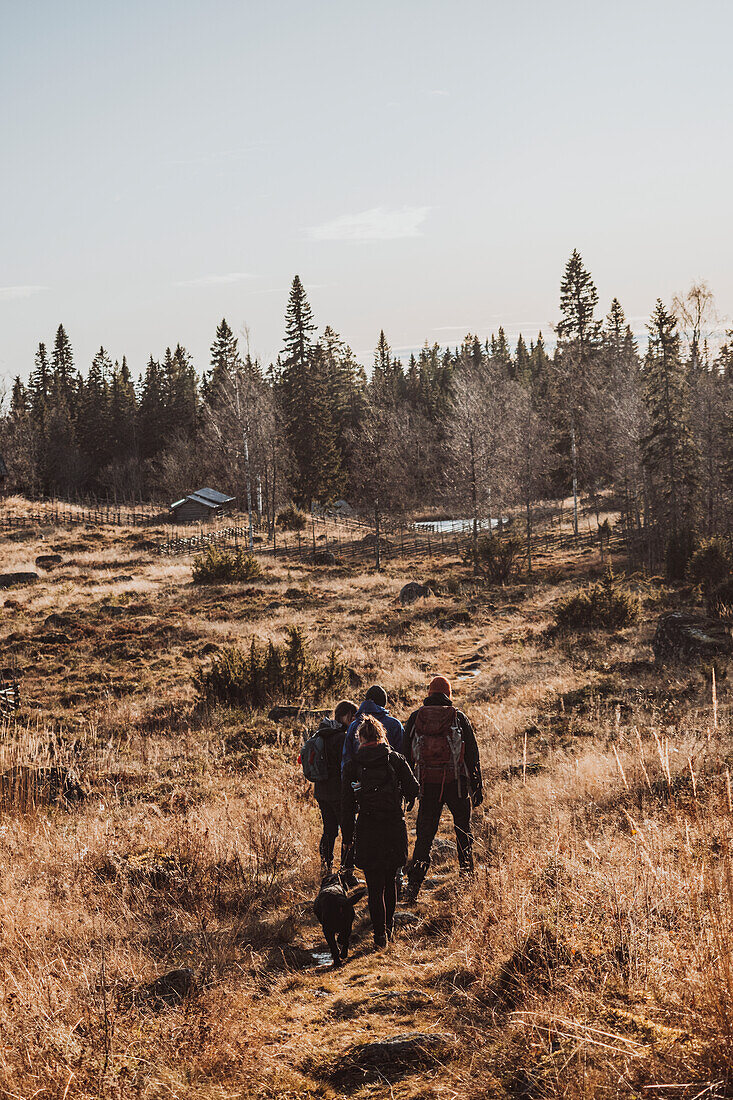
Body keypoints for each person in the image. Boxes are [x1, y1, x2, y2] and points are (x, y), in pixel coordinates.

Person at [403, 676, 483, 903]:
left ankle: (414, 887)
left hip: (427, 784)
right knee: (463, 831)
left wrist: (409, 790)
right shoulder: (458, 717)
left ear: (429, 693)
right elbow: (472, 754)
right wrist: (477, 787)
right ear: (449, 694)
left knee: (424, 837)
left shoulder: (416, 718)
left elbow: (405, 754)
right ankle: (468, 878)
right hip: (456, 784)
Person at [342, 715, 419, 948]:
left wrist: (347, 838)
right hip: (394, 826)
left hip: (367, 828)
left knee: (375, 887)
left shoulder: (353, 765)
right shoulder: (395, 759)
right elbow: (414, 788)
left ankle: (379, 937)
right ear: (381, 735)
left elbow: (345, 805)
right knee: (390, 880)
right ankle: (389, 929)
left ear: (361, 738)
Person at [312, 700, 358, 874]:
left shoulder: (322, 733)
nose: (355, 720)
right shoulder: (342, 738)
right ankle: (347, 870)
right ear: (346, 715)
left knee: (329, 830)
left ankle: (326, 866)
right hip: (339, 793)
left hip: (321, 791)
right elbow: (348, 766)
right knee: (349, 831)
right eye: (353, 716)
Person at [341, 685, 404, 772]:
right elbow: (402, 755)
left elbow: (347, 757)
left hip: (360, 780)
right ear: (383, 704)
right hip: (388, 780)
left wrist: (347, 782)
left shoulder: (353, 725)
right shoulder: (395, 724)